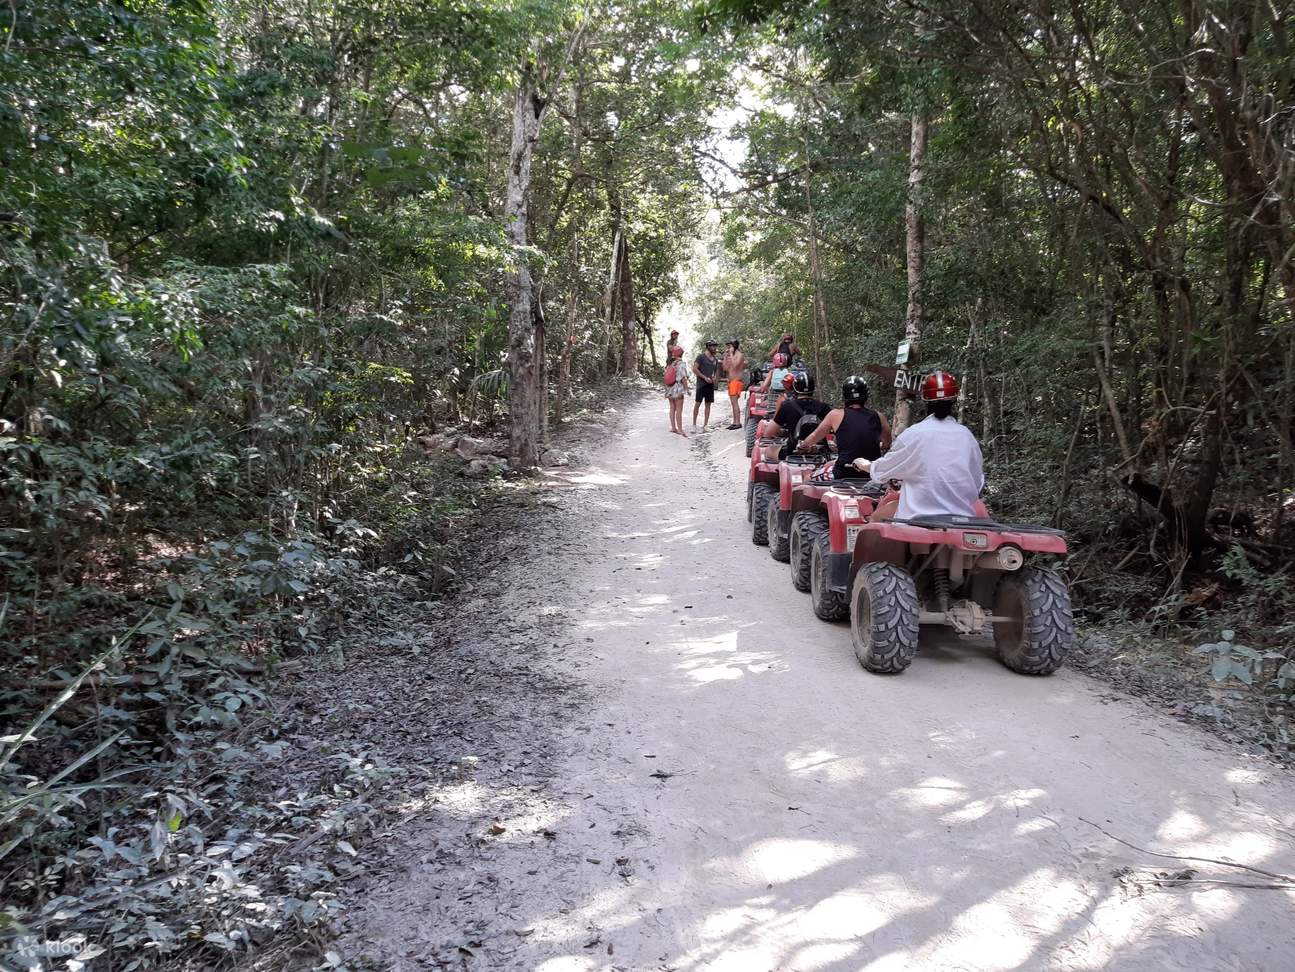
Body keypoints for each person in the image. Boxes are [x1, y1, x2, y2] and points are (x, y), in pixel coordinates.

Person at [854, 371, 984, 518]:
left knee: (875, 519)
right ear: (954, 400)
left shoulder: (914, 434)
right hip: (962, 517)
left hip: (918, 515)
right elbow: (977, 483)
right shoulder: (967, 436)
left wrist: (864, 464)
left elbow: (884, 470)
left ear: (925, 400)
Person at [797, 375, 892, 479]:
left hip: (843, 472)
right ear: (866, 395)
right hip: (872, 474)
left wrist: (803, 445)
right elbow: (887, 443)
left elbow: (815, 436)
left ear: (844, 396)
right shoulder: (879, 416)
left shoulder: (835, 414)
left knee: (807, 477)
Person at [761, 372, 831, 460]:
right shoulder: (824, 407)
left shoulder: (787, 406)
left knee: (768, 450)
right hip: (820, 452)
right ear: (813, 388)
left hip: (793, 451)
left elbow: (768, 433)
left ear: (794, 387)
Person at [691, 339, 720, 429]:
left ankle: (705, 425)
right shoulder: (701, 357)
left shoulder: (715, 359)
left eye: (715, 346)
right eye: (713, 346)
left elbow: (715, 372)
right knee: (698, 404)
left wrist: (714, 377)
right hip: (701, 384)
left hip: (710, 385)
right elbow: (694, 369)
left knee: (708, 405)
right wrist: (704, 377)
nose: (714, 348)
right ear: (708, 347)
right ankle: (694, 424)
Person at [664, 345, 690, 436]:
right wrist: (687, 389)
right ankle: (680, 429)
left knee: (672, 408)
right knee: (679, 409)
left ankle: (673, 427)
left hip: (669, 388)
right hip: (678, 388)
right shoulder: (682, 363)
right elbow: (683, 378)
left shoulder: (671, 363)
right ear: (682, 354)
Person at [722, 339, 748, 430]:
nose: (728, 348)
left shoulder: (739, 355)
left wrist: (732, 354)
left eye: (730, 346)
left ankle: (737, 422)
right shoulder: (730, 356)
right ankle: (735, 421)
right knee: (733, 403)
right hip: (731, 381)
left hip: (736, 381)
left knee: (735, 402)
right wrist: (725, 356)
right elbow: (725, 368)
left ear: (734, 346)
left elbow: (736, 364)